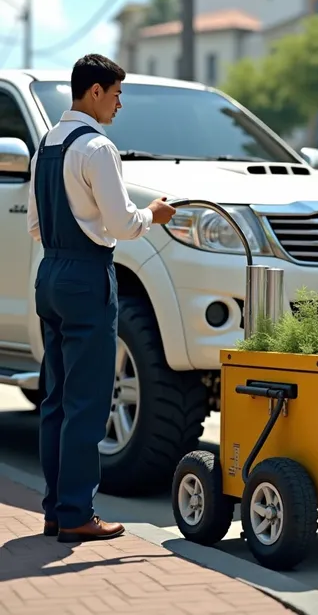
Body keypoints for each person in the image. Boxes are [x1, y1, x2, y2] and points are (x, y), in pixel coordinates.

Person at [27, 53, 176, 542]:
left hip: (49, 272)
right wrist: (152, 213)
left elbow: (34, 226)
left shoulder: (45, 145)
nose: (118, 104)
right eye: (115, 94)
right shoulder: (97, 148)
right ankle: (75, 514)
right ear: (94, 92)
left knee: (55, 399)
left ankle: (55, 509)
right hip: (88, 277)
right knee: (89, 402)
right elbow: (122, 225)